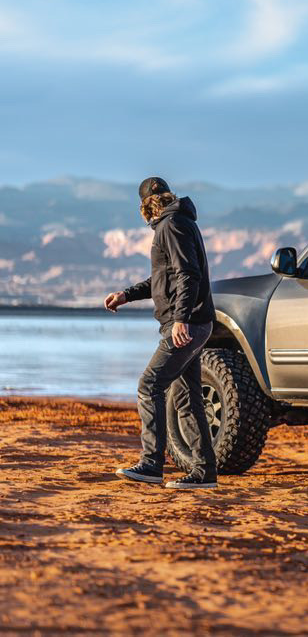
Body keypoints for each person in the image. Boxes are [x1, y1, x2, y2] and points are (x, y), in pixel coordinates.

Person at [104, 177, 219, 490]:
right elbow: (163, 279)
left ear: (144, 207)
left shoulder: (171, 226)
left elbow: (188, 275)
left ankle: (151, 464)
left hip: (186, 324)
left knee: (149, 384)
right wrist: (127, 295)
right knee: (186, 397)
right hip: (194, 323)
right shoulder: (179, 222)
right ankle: (204, 472)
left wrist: (181, 319)